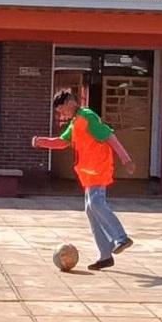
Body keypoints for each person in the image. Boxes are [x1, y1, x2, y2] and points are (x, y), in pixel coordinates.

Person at [32, 90, 135, 270]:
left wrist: (125, 159)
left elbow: (109, 136)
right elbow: (63, 142)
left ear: (70, 103)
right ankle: (105, 255)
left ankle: (121, 238)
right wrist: (42, 142)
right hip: (88, 172)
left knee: (96, 203)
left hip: (99, 169)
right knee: (90, 209)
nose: (61, 114)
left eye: (62, 110)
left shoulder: (87, 117)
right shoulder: (75, 122)